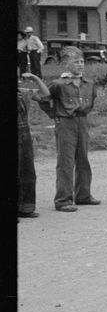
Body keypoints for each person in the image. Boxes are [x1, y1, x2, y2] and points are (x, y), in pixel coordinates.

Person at [40, 46, 100, 212]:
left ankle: (83, 195)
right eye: (75, 62)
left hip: (82, 121)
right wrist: (54, 114)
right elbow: (43, 98)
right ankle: (63, 200)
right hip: (65, 123)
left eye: (82, 61)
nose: (80, 65)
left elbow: (92, 101)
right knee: (66, 161)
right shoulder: (58, 84)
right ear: (66, 64)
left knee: (83, 159)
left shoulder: (89, 83)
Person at [18, 71, 50, 219]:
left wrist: (36, 79)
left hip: (24, 135)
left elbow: (45, 95)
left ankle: (26, 208)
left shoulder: (23, 93)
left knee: (27, 172)